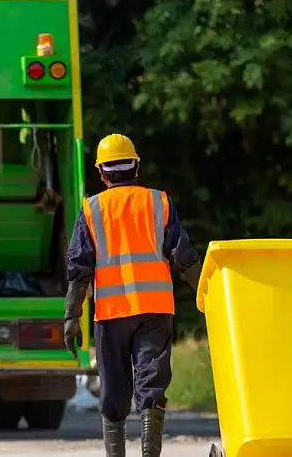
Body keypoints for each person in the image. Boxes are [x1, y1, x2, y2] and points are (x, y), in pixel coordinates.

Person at [63, 133, 202, 457]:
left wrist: (72, 316)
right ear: (136, 166)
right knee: (152, 386)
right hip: (154, 310)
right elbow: (183, 257)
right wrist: (209, 295)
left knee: (113, 392)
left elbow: (79, 267)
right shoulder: (159, 202)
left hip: (111, 313)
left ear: (101, 173)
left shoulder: (91, 209)